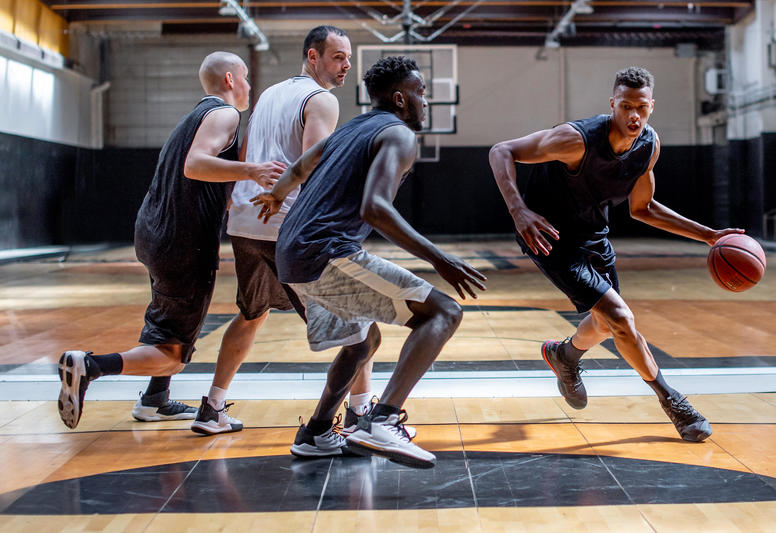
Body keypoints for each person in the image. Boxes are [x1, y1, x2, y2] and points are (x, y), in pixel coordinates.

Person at [251, 56, 487, 467]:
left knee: (363, 341)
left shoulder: (353, 128)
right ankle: (383, 420)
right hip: (324, 252)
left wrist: (277, 194)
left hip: (292, 252)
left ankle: (317, 433)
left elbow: (302, 165)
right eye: (421, 92)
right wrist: (441, 260)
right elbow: (375, 208)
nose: (425, 101)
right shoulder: (398, 134)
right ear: (400, 98)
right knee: (443, 313)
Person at [488, 66, 744, 442]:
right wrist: (518, 210)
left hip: (594, 236)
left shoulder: (648, 147)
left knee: (606, 324)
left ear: (651, 106)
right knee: (621, 318)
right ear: (612, 104)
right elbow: (502, 151)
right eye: (626, 106)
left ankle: (565, 356)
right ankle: (672, 401)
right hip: (550, 236)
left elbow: (644, 208)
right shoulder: (576, 140)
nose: (633, 115)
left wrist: (710, 236)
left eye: (641, 107)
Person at [57, 51, 286, 430]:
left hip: (155, 231)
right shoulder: (225, 114)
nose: (249, 86)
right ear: (230, 79)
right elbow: (195, 165)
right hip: (183, 241)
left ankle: (154, 400)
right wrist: (252, 170)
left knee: (168, 322)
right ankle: (91, 366)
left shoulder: (193, 116)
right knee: (173, 352)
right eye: (245, 77)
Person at [191, 26, 377, 437]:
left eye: (347, 58)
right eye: (337, 57)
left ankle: (212, 407)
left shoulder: (268, 95)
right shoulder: (321, 99)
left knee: (251, 314)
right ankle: (363, 416)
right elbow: (315, 167)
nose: (346, 65)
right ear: (313, 56)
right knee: (355, 322)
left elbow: (246, 156)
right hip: (289, 226)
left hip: (244, 222)